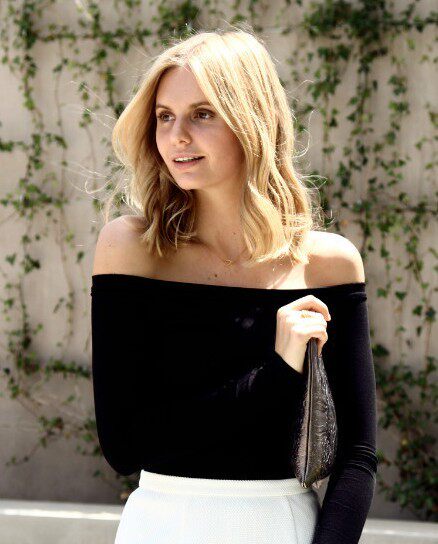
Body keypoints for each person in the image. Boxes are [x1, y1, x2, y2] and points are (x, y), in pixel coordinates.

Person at [90, 27, 378, 544]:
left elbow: (357, 457)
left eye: (203, 114)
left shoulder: (327, 264)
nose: (177, 136)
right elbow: (125, 446)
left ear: (253, 121)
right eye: (164, 116)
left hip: (282, 526)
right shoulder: (133, 249)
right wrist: (278, 371)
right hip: (162, 525)